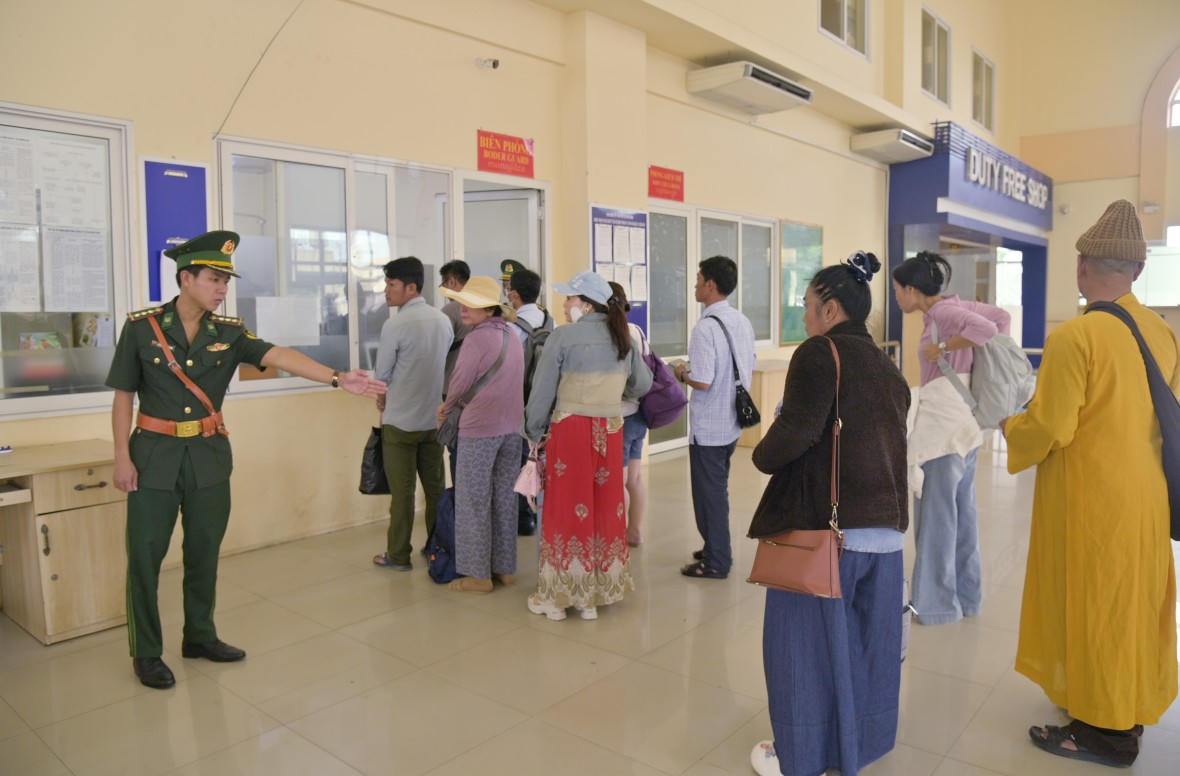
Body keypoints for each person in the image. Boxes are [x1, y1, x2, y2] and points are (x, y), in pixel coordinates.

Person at [106, 230, 385, 690]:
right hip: (153, 457)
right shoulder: (142, 328)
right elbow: (122, 397)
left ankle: (199, 635)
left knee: (204, 552)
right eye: (214, 279)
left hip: (209, 457)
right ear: (186, 278)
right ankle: (147, 652)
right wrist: (121, 456)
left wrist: (337, 378)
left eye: (225, 282)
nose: (222, 289)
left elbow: (279, 355)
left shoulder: (229, 333)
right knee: (145, 556)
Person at [1002, 200, 1178, 768]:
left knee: (1097, 605)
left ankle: (1105, 734)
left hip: (1094, 499)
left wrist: (1011, 427)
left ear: (1081, 266)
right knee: (1131, 606)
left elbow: (1052, 425)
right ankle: (1122, 705)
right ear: (1138, 270)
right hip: (1147, 495)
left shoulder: (1075, 337)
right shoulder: (1163, 333)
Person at [748, 252, 911, 776]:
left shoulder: (820, 352)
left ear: (832, 309)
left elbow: (796, 431)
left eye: (808, 306)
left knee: (802, 652)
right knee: (865, 649)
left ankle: (800, 755)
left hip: (826, 532)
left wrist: (760, 454)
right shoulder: (888, 367)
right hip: (885, 535)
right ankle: (857, 748)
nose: (804, 316)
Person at [524, 271, 652, 620]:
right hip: (610, 429)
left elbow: (542, 391)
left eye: (569, 298)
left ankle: (557, 599)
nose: (565, 304)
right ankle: (592, 598)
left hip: (571, 430)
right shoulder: (622, 336)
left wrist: (533, 429)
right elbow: (642, 384)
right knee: (604, 506)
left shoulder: (563, 337)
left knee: (565, 507)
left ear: (586, 304)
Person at [892, 251, 1009, 625]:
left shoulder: (943, 313)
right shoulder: (956, 306)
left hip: (943, 428)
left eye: (898, 290)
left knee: (936, 517)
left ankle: (937, 606)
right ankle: (967, 598)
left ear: (912, 290)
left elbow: (987, 330)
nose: (897, 297)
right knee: (962, 514)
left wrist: (943, 348)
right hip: (966, 425)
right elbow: (1001, 318)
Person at [437, 276, 525, 593]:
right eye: (463, 301)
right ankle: (504, 568)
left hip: (479, 429)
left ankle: (478, 575)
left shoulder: (475, 340)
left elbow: (459, 382)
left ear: (489, 309)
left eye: (470, 303)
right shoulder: (512, 335)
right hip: (512, 428)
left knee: (472, 500)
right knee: (504, 498)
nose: (463, 308)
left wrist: (445, 408)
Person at [673, 255, 756, 580]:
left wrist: (682, 372)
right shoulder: (741, 321)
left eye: (698, 279)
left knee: (710, 495)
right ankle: (713, 545)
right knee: (716, 490)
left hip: (709, 426)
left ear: (710, 285)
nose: (694, 285)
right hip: (731, 421)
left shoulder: (706, 328)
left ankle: (717, 560)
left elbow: (703, 379)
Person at [371, 257, 453, 571]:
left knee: (402, 494)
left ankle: (398, 555)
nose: (386, 290)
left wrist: (381, 397)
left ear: (411, 287)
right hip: (433, 422)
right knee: (435, 490)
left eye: (391, 284)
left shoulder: (395, 325)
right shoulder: (442, 321)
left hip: (400, 425)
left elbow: (382, 375)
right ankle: (436, 549)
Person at [506, 264, 552, 536]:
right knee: (539, 454)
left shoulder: (512, 329)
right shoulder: (550, 320)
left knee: (519, 458)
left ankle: (523, 516)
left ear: (514, 294)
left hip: (518, 398)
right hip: (544, 398)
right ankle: (538, 511)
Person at [608, 281, 649, 547]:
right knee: (634, 478)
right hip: (639, 413)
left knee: (617, 481)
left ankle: (617, 537)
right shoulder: (637, 330)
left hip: (619, 415)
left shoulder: (613, 333)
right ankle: (634, 532)